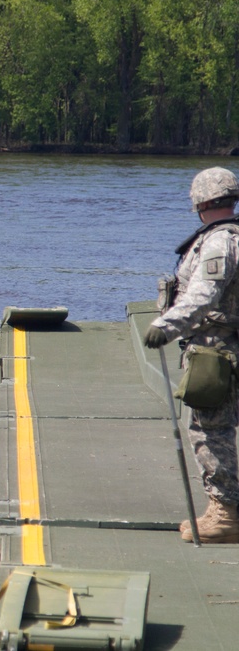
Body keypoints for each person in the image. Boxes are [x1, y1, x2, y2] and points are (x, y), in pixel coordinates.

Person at [144, 166, 239, 543]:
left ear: (200, 203)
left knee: (210, 430)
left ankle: (226, 515)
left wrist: (166, 326)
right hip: (226, 344)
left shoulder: (218, 243)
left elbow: (204, 294)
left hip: (217, 349)